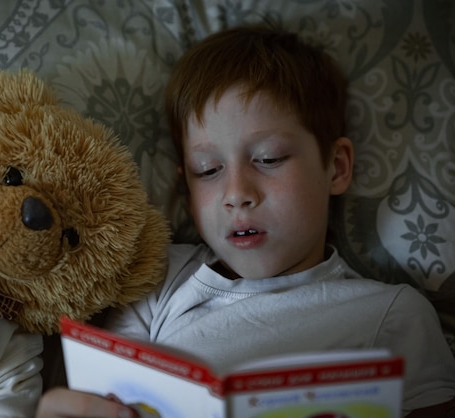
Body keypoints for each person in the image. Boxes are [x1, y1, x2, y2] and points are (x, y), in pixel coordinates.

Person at [36, 25, 455, 418]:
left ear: (336, 167)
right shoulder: (157, 284)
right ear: (186, 187)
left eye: (268, 159)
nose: (237, 193)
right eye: (208, 170)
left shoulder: (392, 314)